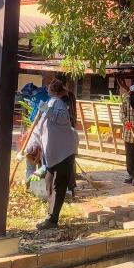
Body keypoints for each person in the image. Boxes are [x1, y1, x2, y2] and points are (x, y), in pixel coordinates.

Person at [27, 79, 79, 229]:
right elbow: (39, 128)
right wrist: (32, 144)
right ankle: (50, 216)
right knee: (49, 184)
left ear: (54, 91)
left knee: (58, 186)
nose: (47, 90)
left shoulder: (59, 103)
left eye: (50, 88)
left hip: (64, 152)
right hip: (52, 154)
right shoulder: (49, 103)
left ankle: (52, 219)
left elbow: (62, 118)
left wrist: (45, 109)